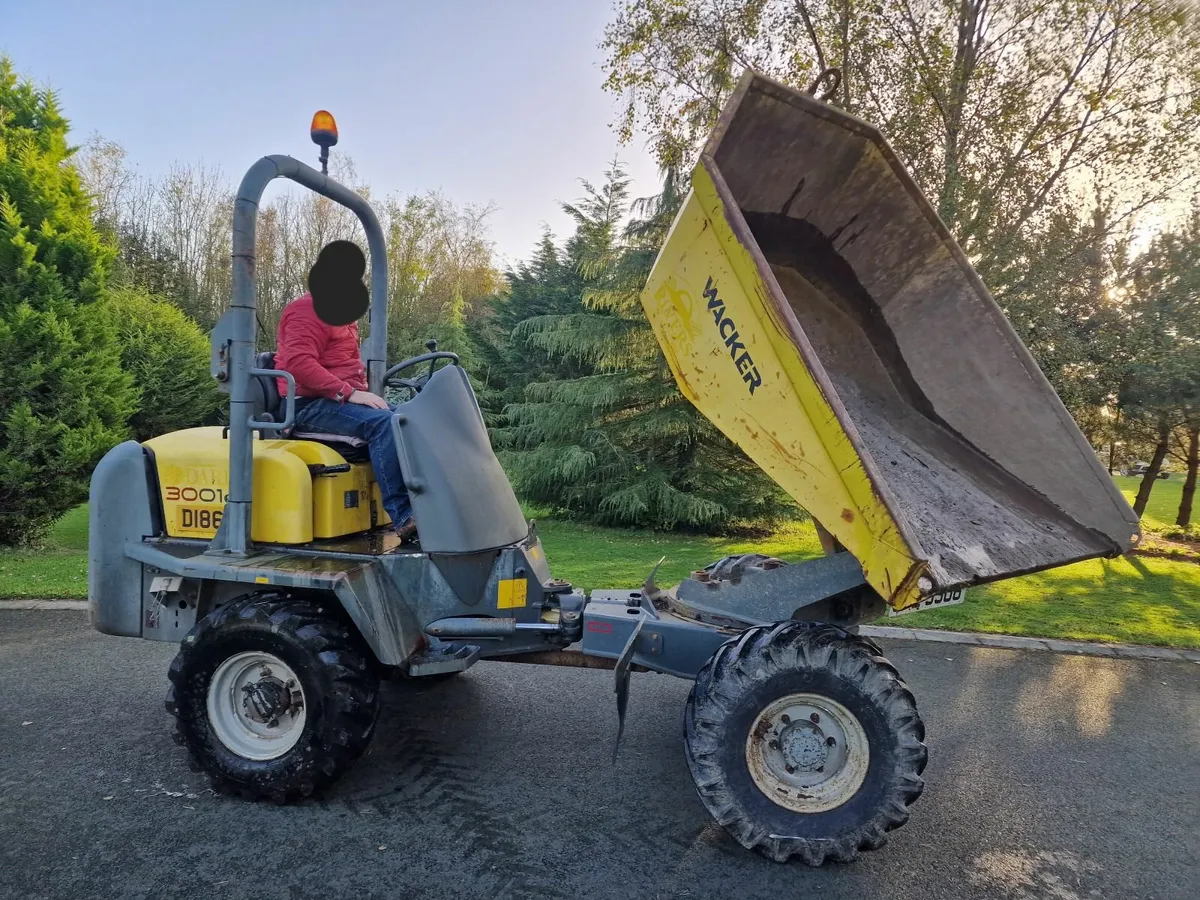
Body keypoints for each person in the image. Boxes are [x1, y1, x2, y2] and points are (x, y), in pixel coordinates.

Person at [274, 288, 417, 541]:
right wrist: (349, 393)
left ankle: (430, 507)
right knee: (384, 424)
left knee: (410, 419)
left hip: (334, 400)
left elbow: (345, 364)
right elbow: (299, 363)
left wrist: (359, 394)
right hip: (306, 405)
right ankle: (404, 516)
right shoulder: (307, 310)